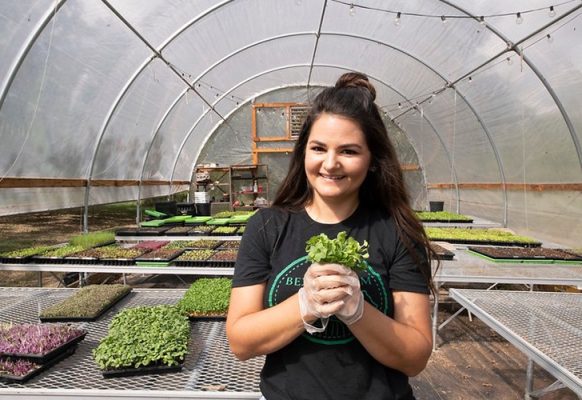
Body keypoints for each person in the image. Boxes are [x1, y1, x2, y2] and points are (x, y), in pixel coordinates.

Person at [226, 72, 437, 400]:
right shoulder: (267, 227)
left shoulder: (395, 231)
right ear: (303, 153)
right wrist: (305, 305)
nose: (330, 163)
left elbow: (415, 357)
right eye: (319, 148)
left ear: (372, 161)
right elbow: (240, 341)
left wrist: (357, 310)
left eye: (349, 151)